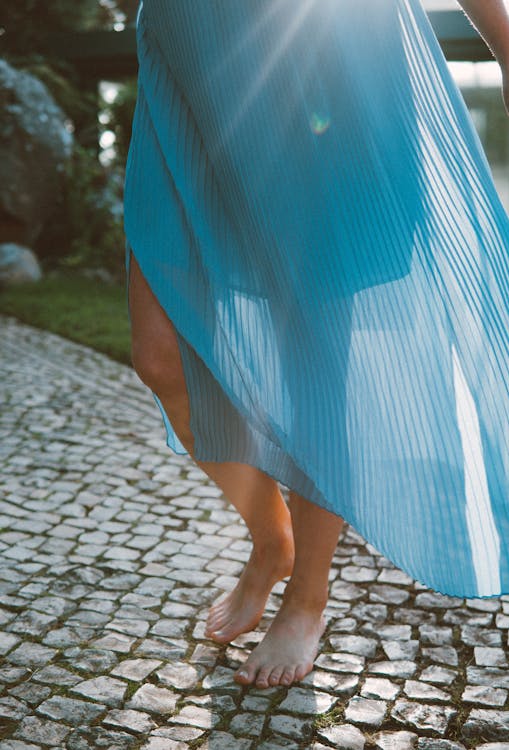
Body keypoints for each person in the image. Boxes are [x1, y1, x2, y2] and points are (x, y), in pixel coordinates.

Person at [124, 0, 509, 690]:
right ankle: (271, 540)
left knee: (318, 368)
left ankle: (307, 595)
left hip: (329, 64)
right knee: (160, 358)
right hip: (192, 68)